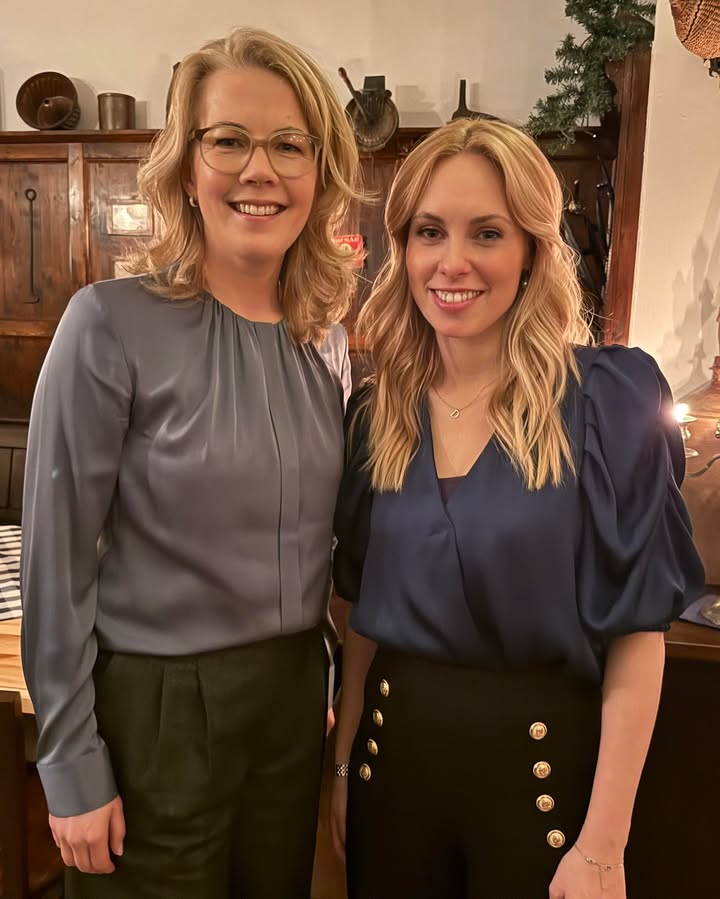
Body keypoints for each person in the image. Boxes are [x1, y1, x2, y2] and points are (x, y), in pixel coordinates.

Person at [21, 26, 361, 899]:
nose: (261, 170)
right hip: (158, 712)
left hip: (292, 706)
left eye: (290, 144)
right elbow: (56, 566)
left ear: (319, 172)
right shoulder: (108, 325)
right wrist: (69, 759)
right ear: (186, 166)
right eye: (230, 140)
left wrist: (319, 675)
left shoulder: (325, 339)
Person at [330, 118, 704, 899]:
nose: (453, 261)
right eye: (430, 231)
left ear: (532, 249)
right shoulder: (377, 413)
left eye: (487, 232)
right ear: (404, 249)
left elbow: (639, 635)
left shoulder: (609, 401)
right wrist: (340, 767)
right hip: (390, 776)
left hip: (544, 788)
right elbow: (359, 610)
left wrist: (604, 843)